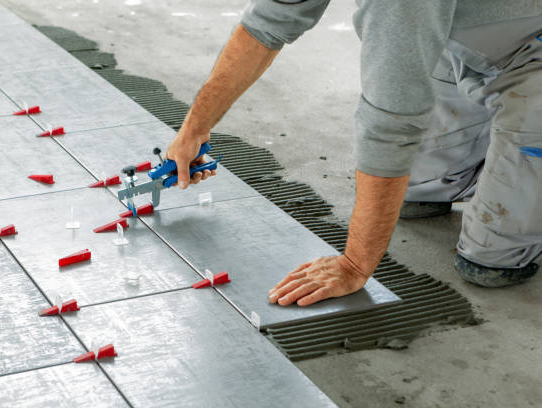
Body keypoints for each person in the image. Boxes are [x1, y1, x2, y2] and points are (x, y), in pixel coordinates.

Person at [166, 0, 542, 307]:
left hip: (531, 49)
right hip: (472, 39)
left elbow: (391, 125)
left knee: (491, 263)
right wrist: (194, 128)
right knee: (415, 195)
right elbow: (266, 25)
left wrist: (355, 264)